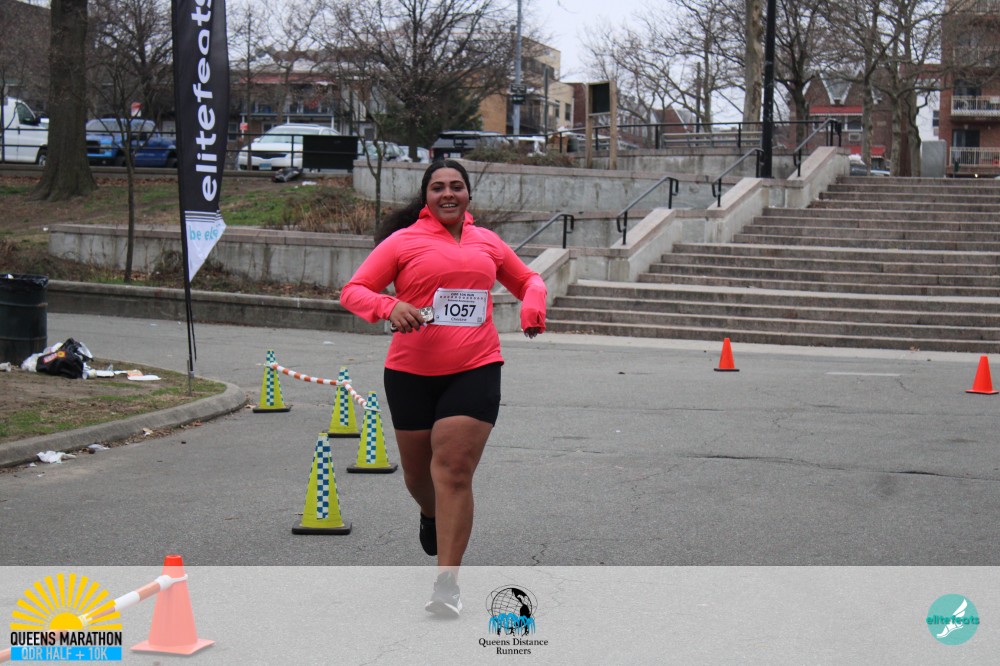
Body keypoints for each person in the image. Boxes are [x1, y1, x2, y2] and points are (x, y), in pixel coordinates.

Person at [340, 160, 546, 617]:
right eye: (438, 187)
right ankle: (430, 514)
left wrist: (533, 301)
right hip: (411, 373)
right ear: (426, 196)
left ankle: (447, 583)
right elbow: (354, 291)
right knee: (419, 477)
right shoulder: (403, 241)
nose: (448, 193)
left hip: (475, 366)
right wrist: (389, 306)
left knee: (452, 471)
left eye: (456, 186)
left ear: (468, 194)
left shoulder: (487, 241)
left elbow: (528, 278)